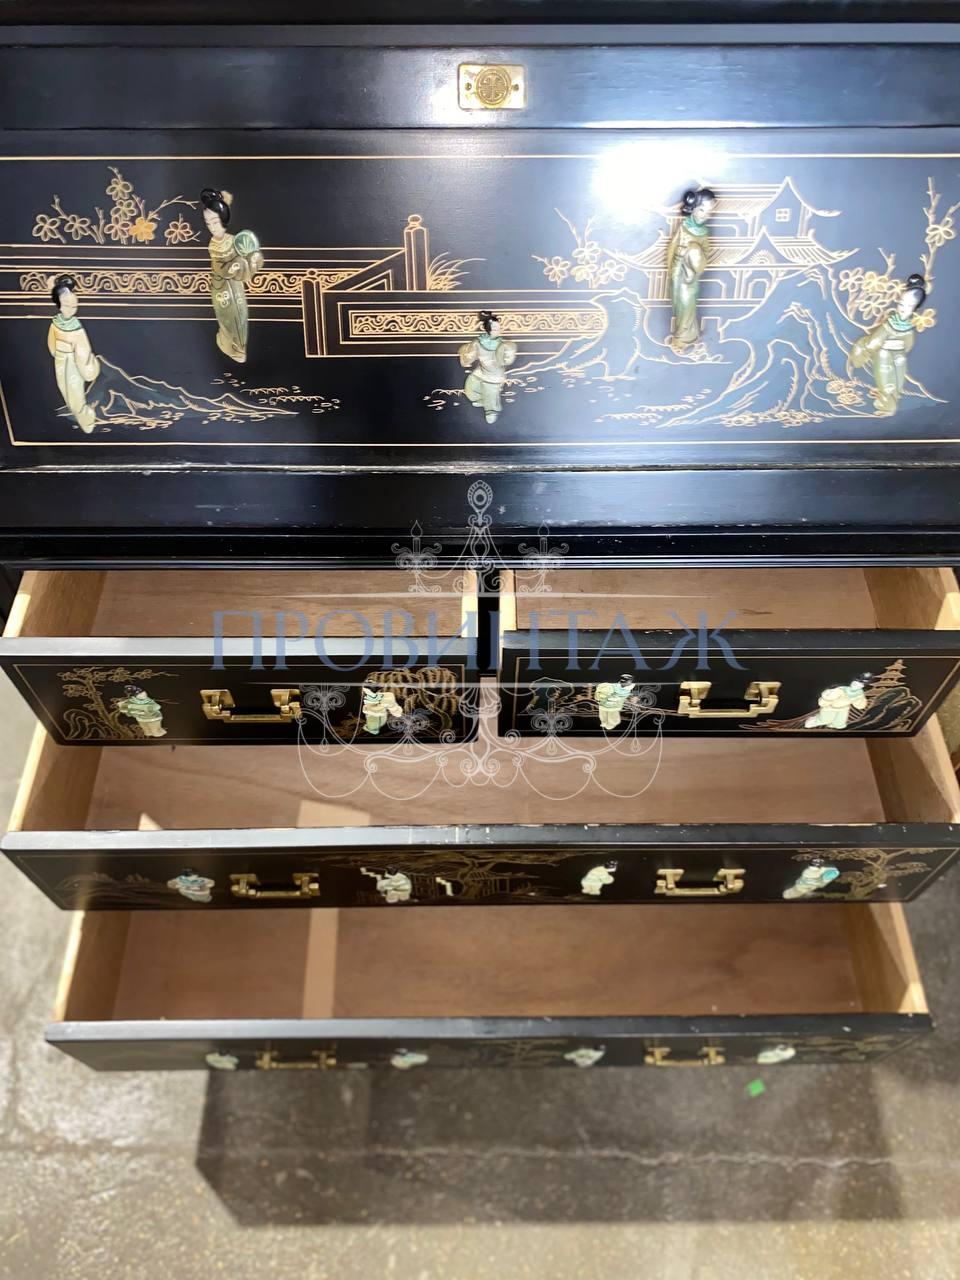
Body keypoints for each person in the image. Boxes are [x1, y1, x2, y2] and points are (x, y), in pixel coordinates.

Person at [849, 273, 927, 415]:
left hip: (892, 356)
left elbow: (879, 342)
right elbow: (901, 344)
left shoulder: (900, 326)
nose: (903, 308)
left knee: (893, 381)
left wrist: (866, 348)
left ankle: (888, 404)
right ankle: (887, 403)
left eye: (909, 306)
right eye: (901, 304)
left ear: (914, 309)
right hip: (891, 356)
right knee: (889, 382)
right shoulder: (896, 325)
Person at [200, 188, 263, 363]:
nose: (212, 227)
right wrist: (234, 265)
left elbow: (246, 255)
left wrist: (251, 259)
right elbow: (219, 269)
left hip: (235, 287)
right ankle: (230, 347)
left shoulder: (233, 240)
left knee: (241, 315)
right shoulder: (213, 245)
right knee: (227, 319)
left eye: (215, 222)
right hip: (221, 288)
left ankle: (241, 348)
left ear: (224, 219)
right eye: (208, 223)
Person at [47, 274, 100, 433]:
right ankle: (84, 418)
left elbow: (83, 352)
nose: (71, 309)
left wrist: (88, 368)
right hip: (61, 361)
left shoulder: (77, 328)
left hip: (74, 364)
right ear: (59, 304)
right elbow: (52, 345)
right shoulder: (55, 323)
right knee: (64, 391)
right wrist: (59, 354)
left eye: (73, 306)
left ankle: (87, 419)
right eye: (67, 305)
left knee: (75, 395)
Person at [667, 186, 717, 350]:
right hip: (679, 274)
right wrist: (677, 263)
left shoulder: (703, 232)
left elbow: (705, 254)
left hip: (692, 276)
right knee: (682, 305)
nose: (705, 215)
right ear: (693, 208)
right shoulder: (684, 227)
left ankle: (684, 339)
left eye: (709, 212)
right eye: (702, 210)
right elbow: (673, 250)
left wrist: (693, 253)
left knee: (688, 305)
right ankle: (684, 337)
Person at [458, 311, 518, 424]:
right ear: (487, 328)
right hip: (481, 371)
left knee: (491, 404)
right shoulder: (478, 342)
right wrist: (465, 355)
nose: (497, 330)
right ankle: (483, 400)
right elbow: (469, 356)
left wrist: (508, 352)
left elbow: (508, 360)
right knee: (470, 390)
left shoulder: (503, 345)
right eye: (495, 328)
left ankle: (491, 411)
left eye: (498, 328)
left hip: (494, 375)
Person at [804, 673, 873, 730]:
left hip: (844, 709)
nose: (857, 685)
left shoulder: (859, 694)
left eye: (860, 684)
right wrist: (824, 702)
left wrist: (859, 700)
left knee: (839, 723)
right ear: (852, 681)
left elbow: (860, 705)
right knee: (825, 720)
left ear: (863, 686)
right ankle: (813, 721)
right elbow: (827, 697)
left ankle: (833, 725)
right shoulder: (840, 689)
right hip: (830, 708)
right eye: (855, 682)